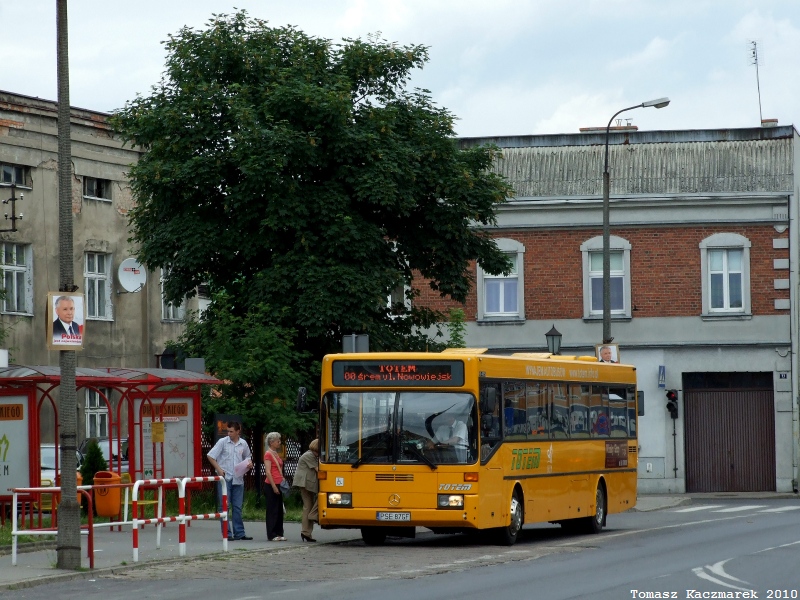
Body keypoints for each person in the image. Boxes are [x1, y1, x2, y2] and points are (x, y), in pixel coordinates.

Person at [207, 421, 253, 541]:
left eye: (231, 431)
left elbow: (248, 457)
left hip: (238, 478)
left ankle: (239, 533)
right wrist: (218, 469)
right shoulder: (223, 442)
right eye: (228, 431)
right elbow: (211, 456)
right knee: (225, 506)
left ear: (238, 431)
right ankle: (227, 533)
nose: (229, 433)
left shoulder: (243, 443)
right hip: (225, 478)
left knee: (237, 507)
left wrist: (249, 464)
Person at [292, 439, 319, 542]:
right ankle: (307, 528)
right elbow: (318, 469)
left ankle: (306, 532)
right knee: (308, 506)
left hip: (308, 483)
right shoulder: (309, 456)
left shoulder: (312, 455)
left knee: (308, 505)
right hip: (305, 483)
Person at [263, 431, 287, 541]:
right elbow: (268, 472)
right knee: (272, 509)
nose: (279, 443)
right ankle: (271, 534)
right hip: (271, 484)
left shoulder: (276, 453)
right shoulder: (268, 454)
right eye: (278, 441)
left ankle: (279, 532)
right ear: (271, 442)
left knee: (279, 509)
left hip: (279, 482)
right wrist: (273, 486)